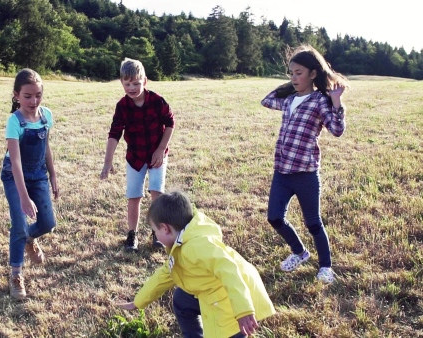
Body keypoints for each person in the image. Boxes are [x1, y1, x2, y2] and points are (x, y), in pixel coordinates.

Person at [117, 191, 276, 337]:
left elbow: (229, 270)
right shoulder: (180, 243)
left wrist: (243, 310)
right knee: (181, 298)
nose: (156, 236)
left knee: (230, 332)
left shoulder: (196, 245)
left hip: (233, 298)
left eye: (155, 231)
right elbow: (166, 274)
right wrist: (139, 301)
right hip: (217, 290)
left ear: (165, 228)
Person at [261, 45, 349, 283]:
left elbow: (337, 130)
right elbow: (266, 100)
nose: (293, 77)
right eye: (291, 73)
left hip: (305, 173)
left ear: (313, 74)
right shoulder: (289, 99)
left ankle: (326, 267)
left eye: (299, 73)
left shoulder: (320, 101)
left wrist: (336, 102)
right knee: (274, 218)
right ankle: (300, 253)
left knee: (313, 222)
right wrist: (292, 85)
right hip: (282, 171)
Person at [100, 57, 175, 252]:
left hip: (157, 155)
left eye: (136, 83)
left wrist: (160, 149)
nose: (132, 87)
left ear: (145, 81)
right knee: (134, 195)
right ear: (121, 83)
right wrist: (108, 162)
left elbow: (170, 124)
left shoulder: (157, 101)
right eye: (127, 84)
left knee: (156, 192)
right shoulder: (122, 106)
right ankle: (132, 235)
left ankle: (157, 231)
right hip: (135, 157)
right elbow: (114, 133)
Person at [0, 68, 59, 300]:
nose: (33, 101)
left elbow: (46, 148)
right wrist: (24, 197)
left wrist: (53, 176)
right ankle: (16, 275)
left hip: (38, 175)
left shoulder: (46, 116)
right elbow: (14, 162)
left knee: (48, 222)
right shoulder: (14, 121)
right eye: (27, 96)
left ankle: (28, 239)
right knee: (19, 224)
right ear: (16, 95)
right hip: (14, 177)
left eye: (38, 95)